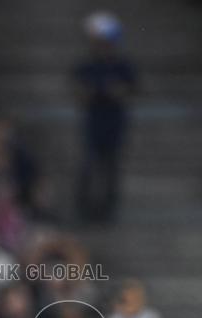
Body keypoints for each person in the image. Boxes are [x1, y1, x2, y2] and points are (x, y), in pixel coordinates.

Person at [72, 12, 136, 223]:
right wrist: (104, 91)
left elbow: (126, 91)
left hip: (114, 124)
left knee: (111, 169)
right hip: (94, 123)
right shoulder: (86, 66)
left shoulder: (122, 65)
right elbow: (81, 93)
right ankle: (83, 208)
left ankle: (108, 210)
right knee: (88, 166)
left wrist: (103, 91)